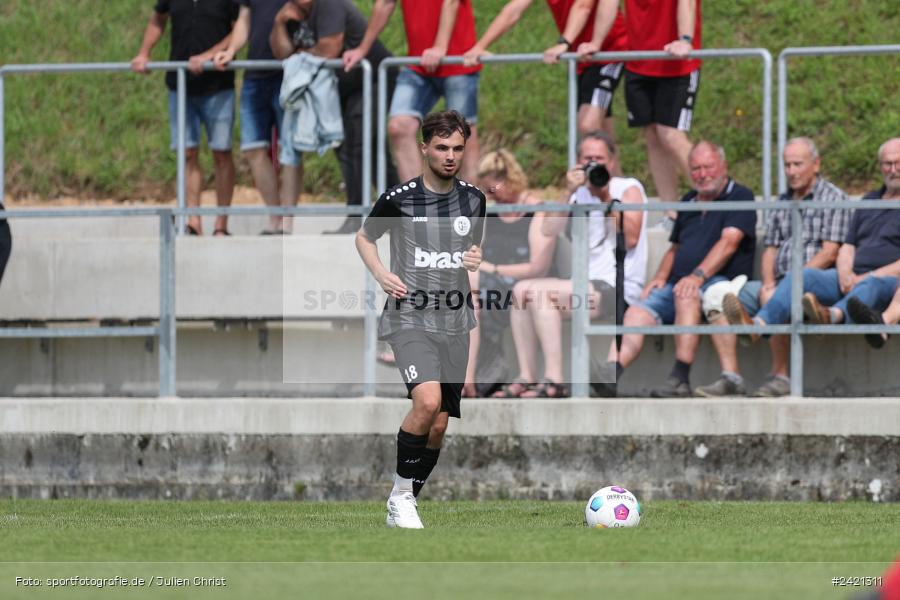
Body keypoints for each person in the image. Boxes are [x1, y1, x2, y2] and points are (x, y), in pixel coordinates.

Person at [356, 110, 485, 529]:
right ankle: (400, 499)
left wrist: (475, 258)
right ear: (424, 147)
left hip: (454, 320)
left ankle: (406, 499)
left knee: (439, 425)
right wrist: (380, 274)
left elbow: (471, 251)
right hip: (410, 316)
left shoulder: (473, 199)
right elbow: (364, 237)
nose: (450, 156)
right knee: (426, 402)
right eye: (442, 147)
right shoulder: (399, 199)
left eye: (458, 148)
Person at [697, 137, 852, 397]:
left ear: (816, 164)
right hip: (779, 281)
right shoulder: (783, 201)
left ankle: (778, 371)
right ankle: (731, 377)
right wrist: (769, 282)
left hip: (818, 281)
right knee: (717, 295)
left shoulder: (834, 198)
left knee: (788, 288)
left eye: (797, 164)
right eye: (787, 165)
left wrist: (787, 283)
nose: (791, 171)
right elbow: (770, 248)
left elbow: (830, 252)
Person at [499, 130, 648, 398]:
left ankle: (554, 378)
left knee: (540, 293)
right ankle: (527, 376)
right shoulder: (578, 195)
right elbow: (549, 228)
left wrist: (604, 197)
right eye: (587, 158)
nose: (593, 164)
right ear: (578, 162)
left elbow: (633, 236)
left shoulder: (627, 188)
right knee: (521, 290)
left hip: (617, 288)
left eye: (599, 158)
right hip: (584, 285)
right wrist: (568, 190)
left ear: (612, 161)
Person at [605, 141, 755, 398]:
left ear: (723, 166)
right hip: (678, 281)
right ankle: (608, 376)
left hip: (718, 281)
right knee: (638, 313)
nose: (702, 174)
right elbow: (675, 248)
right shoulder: (688, 200)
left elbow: (729, 243)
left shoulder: (740, 196)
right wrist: (660, 277)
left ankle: (680, 378)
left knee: (685, 294)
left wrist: (697, 276)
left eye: (708, 167)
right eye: (695, 168)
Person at [724, 138, 900, 343]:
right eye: (888, 164)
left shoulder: (833, 197)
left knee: (871, 285)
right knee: (800, 276)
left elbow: (832, 251)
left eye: (898, 163)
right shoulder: (869, 201)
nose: (893, 169)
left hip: (886, 280)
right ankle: (759, 325)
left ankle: (832, 316)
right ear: (880, 166)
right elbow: (848, 246)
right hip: (849, 277)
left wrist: (868, 275)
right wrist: (845, 274)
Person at [269, 0, 400, 234]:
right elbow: (282, 53)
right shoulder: (289, 14)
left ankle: (371, 216)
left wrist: (299, 55)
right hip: (343, 87)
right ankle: (381, 214)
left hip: (372, 77)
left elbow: (330, 48)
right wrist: (279, 23)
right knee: (351, 147)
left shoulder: (329, 4)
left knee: (359, 144)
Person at [579, 0, 701, 225]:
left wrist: (685, 39)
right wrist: (596, 42)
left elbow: (688, 3)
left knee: (670, 134)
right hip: (639, 62)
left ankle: (712, 202)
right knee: (653, 136)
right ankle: (670, 212)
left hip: (676, 62)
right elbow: (608, 3)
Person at [343, 0, 482, 183]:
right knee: (400, 127)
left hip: (457, 60)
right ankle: (418, 204)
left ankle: (471, 205)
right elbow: (385, 3)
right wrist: (362, 49)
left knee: (462, 132)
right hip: (419, 63)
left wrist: (440, 46)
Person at [132, 0, 238, 236]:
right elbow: (158, 19)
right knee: (187, 153)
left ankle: (221, 225)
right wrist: (144, 52)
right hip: (180, 86)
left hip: (217, 86)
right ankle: (193, 222)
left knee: (221, 153)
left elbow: (238, 30)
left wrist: (210, 56)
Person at [462, 149, 558, 398]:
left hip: (525, 287)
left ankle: (465, 379)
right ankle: (463, 378)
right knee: (458, 286)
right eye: (486, 190)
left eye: (493, 188)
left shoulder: (537, 210)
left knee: (468, 286)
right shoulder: (491, 212)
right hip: (488, 289)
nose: (490, 195)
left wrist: (491, 268)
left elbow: (537, 266)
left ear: (509, 179)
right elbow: (474, 252)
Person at [461, 0, 628, 140]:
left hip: (606, 52)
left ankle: (601, 176)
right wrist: (480, 46)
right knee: (603, 132)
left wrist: (564, 42)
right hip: (580, 57)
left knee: (588, 125)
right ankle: (615, 178)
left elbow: (583, 6)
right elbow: (513, 10)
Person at [211, 0, 302, 235]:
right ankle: (275, 216)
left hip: (288, 74)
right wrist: (232, 50)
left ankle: (288, 221)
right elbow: (244, 19)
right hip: (255, 75)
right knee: (253, 149)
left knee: (290, 151)